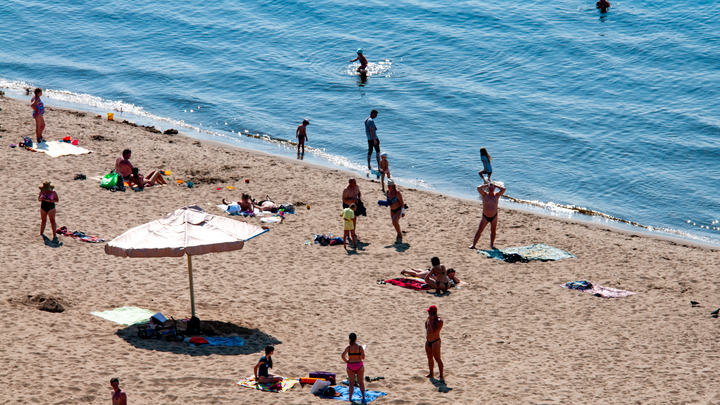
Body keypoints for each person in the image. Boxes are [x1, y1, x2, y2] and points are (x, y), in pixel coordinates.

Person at [469, 182, 506, 250]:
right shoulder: (484, 194)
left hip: (494, 216)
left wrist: (495, 185)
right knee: (480, 230)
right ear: (487, 188)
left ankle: (492, 244)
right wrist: (487, 185)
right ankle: (473, 244)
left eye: (492, 188)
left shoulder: (497, 195)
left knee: (493, 231)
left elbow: (504, 189)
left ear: (494, 188)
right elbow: (478, 188)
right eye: (490, 188)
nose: (491, 189)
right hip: (485, 216)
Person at [341, 333, 366, 403]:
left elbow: (342, 355)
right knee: (361, 383)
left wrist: (347, 361)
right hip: (359, 366)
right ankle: (363, 397)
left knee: (351, 384)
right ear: (356, 339)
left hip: (350, 366)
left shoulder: (348, 347)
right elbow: (363, 357)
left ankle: (350, 398)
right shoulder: (360, 347)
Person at [425, 305, 444, 380]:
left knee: (437, 359)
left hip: (435, 342)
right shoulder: (428, 319)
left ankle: (441, 376)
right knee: (429, 357)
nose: (428, 313)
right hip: (428, 340)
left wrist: (431, 321)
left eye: (430, 312)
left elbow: (434, 330)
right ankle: (431, 373)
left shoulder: (439, 321)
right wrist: (429, 320)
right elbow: (426, 327)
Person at [386, 179, 404, 243]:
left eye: (390, 185)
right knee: (394, 223)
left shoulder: (397, 192)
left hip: (398, 209)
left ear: (393, 185)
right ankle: (399, 233)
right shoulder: (387, 192)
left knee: (394, 221)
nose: (389, 186)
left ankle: (399, 234)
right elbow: (388, 201)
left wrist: (403, 211)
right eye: (388, 185)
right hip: (392, 210)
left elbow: (401, 202)